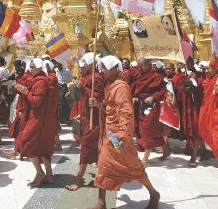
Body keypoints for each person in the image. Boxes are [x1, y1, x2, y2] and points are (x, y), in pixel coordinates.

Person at [88, 55, 160, 209]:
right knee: (103, 166)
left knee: (134, 167)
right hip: (109, 134)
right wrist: (98, 105)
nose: (102, 71)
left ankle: (153, 193)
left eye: (105, 68)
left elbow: (126, 112)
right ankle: (101, 203)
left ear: (115, 68)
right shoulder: (111, 85)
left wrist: (124, 136)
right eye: (102, 67)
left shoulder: (120, 87)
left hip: (118, 135)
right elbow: (110, 110)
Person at [66, 53, 104, 191]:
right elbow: (83, 98)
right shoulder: (87, 78)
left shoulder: (97, 79)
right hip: (86, 116)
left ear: (91, 65)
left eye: (83, 65)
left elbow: (97, 98)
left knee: (86, 147)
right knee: (91, 145)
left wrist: (83, 88)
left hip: (93, 118)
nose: (80, 68)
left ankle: (79, 179)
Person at [16, 58, 54, 187]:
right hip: (38, 116)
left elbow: (36, 101)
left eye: (33, 67)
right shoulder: (36, 80)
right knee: (42, 145)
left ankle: (40, 172)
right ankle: (49, 175)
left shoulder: (42, 82)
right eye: (30, 66)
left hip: (39, 117)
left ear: (39, 67)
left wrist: (26, 92)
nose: (30, 69)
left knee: (26, 142)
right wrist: (24, 90)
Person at [131, 58, 171, 167]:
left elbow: (162, 91)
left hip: (151, 107)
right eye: (138, 67)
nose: (139, 69)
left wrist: (153, 97)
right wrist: (135, 97)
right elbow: (137, 89)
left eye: (141, 66)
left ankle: (145, 159)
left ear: (148, 65)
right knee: (152, 131)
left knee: (148, 129)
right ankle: (166, 151)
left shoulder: (156, 77)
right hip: (141, 105)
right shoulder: (140, 76)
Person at [181, 57, 208, 166]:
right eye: (185, 63)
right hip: (187, 105)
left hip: (197, 106)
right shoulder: (184, 75)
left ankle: (193, 157)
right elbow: (180, 87)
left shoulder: (200, 75)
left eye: (188, 62)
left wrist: (195, 80)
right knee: (194, 129)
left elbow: (202, 88)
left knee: (195, 129)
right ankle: (205, 152)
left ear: (192, 63)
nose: (186, 64)